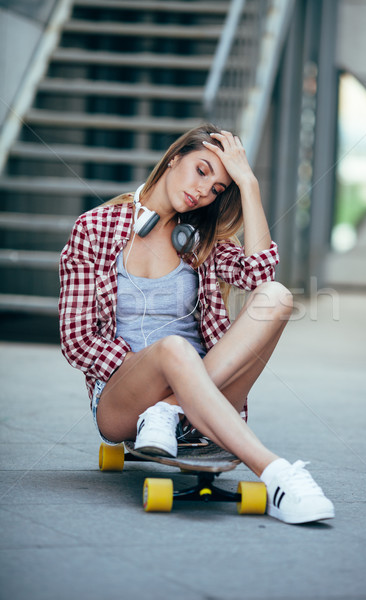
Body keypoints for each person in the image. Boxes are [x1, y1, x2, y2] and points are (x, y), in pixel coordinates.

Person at [59, 124, 334, 524]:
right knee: (173, 349)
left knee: (277, 297)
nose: (204, 190)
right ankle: (278, 474)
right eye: (201, 170)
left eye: (219, 187)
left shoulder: (203, 239)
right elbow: (77, 339)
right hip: (123, 402)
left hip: (205, 393)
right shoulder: (95, 228)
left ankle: (170, 412)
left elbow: (260, 277)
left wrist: (249, 184)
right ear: (174, 158)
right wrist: (151, 368)